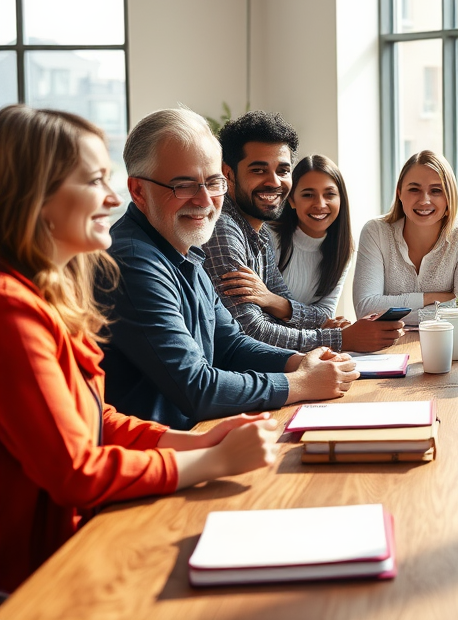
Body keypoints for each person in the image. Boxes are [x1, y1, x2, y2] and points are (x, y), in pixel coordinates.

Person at [0, 105, 279, 594]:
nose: (111, 198)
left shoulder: (52, 293)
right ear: (35, 197)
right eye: (93, 182)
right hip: (33, 579)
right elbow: (76, 472)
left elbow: (96, 420)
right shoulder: (10, 311)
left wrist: (199, 443)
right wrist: (211, 462)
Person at [101, 108, 359, 430]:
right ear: (138, 191)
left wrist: (300, 362)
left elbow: (231, 345)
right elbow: (196, 387)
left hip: (197, 437)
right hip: (159, 457)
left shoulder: (182, 246)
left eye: (213, 183)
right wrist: (301, 383)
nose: (205, 200)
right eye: (184, 185)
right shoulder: (133, 261)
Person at [205, 111, 402, 352]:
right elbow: (249, 331)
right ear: (228, 173)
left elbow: (282, 304)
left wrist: (330, 327)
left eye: (283, 170)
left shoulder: (260, 231)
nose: (274, 182)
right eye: (258, 170)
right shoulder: (224, 229)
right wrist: (341, 338)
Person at [351, 150, 458, 318]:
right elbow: (365, 308)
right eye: (414, 189)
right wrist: (429, 298)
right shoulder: (375, 232)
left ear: (449, 196)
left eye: (436, 190)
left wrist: (391, 313)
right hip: (389, 343)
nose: (424, 200)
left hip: (448, 342)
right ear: (399, 193)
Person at [266, 155, 352, 316]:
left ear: (341, 199)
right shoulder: (268, 237)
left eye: (329, 194)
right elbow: (261, 309)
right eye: (308, 195)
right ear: (291, 200)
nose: (320, 204)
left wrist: (275, 302)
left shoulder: (343, 249)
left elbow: (325, 313)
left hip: (308, 338)